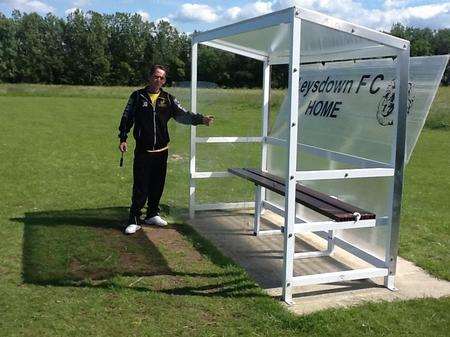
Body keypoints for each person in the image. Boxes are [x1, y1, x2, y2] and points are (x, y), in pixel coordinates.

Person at [118, 65, 214, 234]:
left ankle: (152, 214)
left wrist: (201, 119)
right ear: (149, 77)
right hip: (143, 151)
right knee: (141, 186)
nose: (159, 80)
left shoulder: (168, 99)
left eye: (162, 78)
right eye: (156, 76)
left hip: (162, 151)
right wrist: (123, 137)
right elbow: (127, 117)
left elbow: (183, 115)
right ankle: (134, 219)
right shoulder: (137, 96)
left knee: (157, 184)